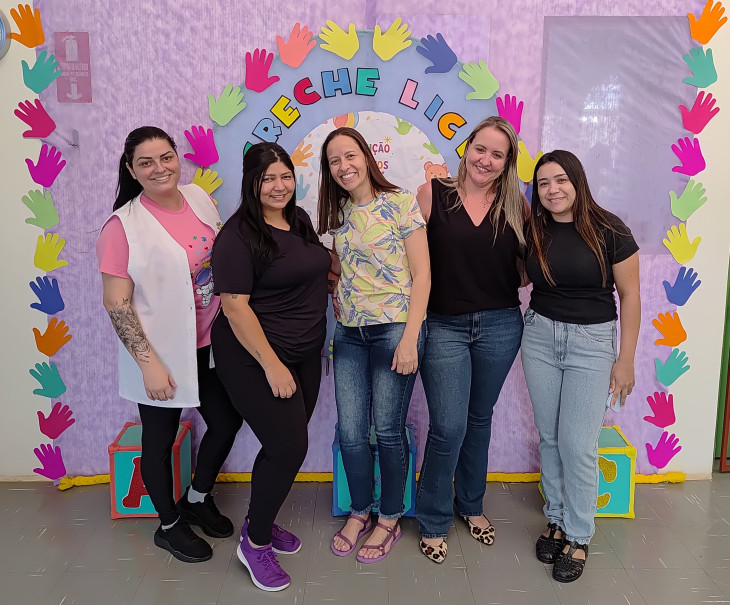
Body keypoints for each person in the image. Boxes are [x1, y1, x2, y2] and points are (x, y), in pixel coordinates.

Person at [97, 126, 243, 563]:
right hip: (160, 354)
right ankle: (169, 524)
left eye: (166, 157)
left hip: (209, 343)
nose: (159, 168)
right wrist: (149, 365)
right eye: (146, 162)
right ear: (131, 170)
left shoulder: (198, 198)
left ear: (177, 158)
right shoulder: (122, 227)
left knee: (226, 422)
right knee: (159, 442)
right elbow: (116, 302)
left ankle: (196, 497)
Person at [211, 142, 331, 591]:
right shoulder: (238, 235)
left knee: (283, 445)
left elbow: (312, 267)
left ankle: (257, 519)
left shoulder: (297, 219)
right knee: (288, 447)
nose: (279, 186)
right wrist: (272, 366)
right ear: (251, 182)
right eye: (268, 179)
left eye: (285, 176)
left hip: (304, 351)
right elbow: (235, 308)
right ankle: (255, 543)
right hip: (253, 355)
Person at [522, 150, 640, 583]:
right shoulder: (535, 229)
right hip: (539, 336)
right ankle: (555, 519)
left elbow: (631, 295)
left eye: (561, 180)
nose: (552, 190)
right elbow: (521, 277)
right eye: (544, 183)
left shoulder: (610, 229)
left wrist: (625, 359)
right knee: (551, 437)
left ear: (577, 181)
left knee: (578, 443)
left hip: (592, 344)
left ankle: (578, 534)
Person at [415, 116, 527, 563]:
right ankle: (433, 518)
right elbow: (412, 262)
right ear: (466, 148)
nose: (486, 160)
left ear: (507, 162)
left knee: (480, 418)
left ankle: (471, 503)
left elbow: (524, 269)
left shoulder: (516, 204)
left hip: (501, 326)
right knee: (448, 426)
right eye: (480, 149)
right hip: (443, 326)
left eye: (498, 154)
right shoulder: (431, 194)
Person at [317, 127, 430, 564]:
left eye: (350, 156)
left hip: (394, 329)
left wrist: (410, 338)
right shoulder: (337, 215)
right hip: (348, 334)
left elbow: (422, 274)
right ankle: (360, 511)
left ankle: (389, 517)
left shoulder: (400, 203)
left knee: (387, 429)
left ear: (366, 157)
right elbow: (340, 271)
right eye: (334, 161)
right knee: (350, 432)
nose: (343, 166)